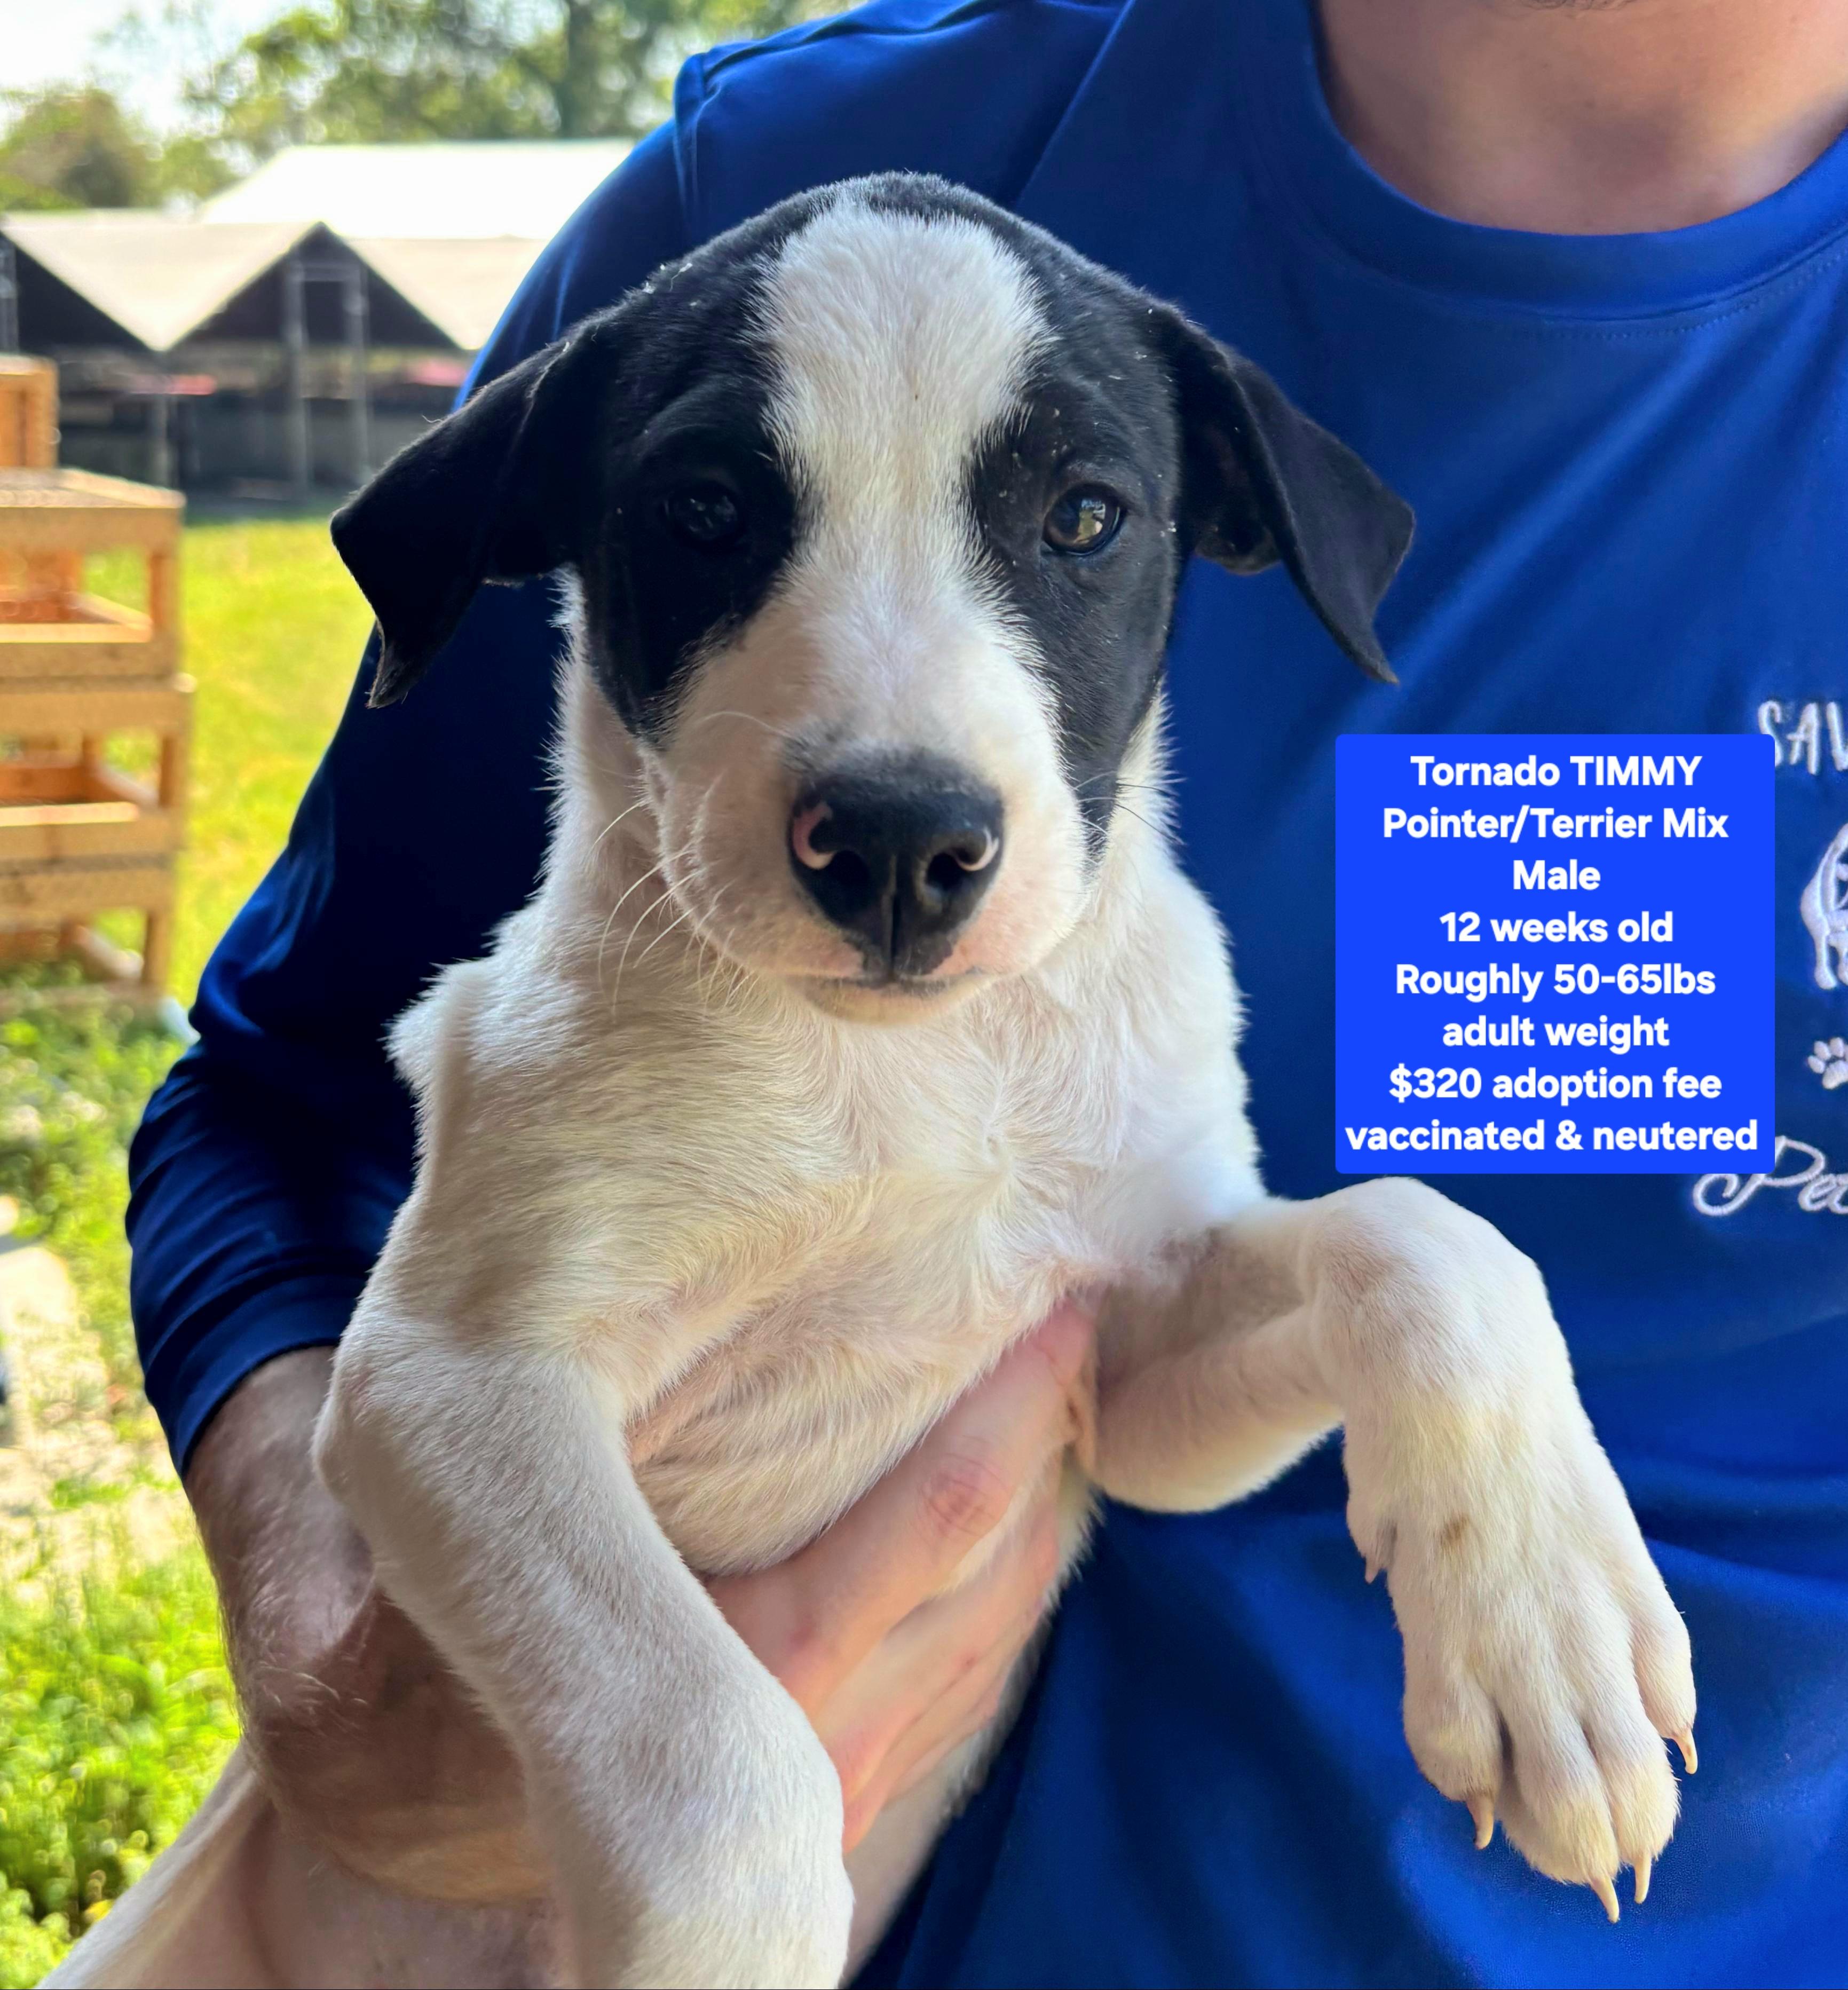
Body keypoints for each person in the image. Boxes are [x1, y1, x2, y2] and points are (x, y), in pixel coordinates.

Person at [127, 0, 1848, 1982]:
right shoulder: (775, 201)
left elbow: (1142, 1387)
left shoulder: (1125, 986)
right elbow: (290, 1107)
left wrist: (1425, 1307)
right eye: (714, 514)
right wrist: (362, 1695)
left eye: (1076, 524)